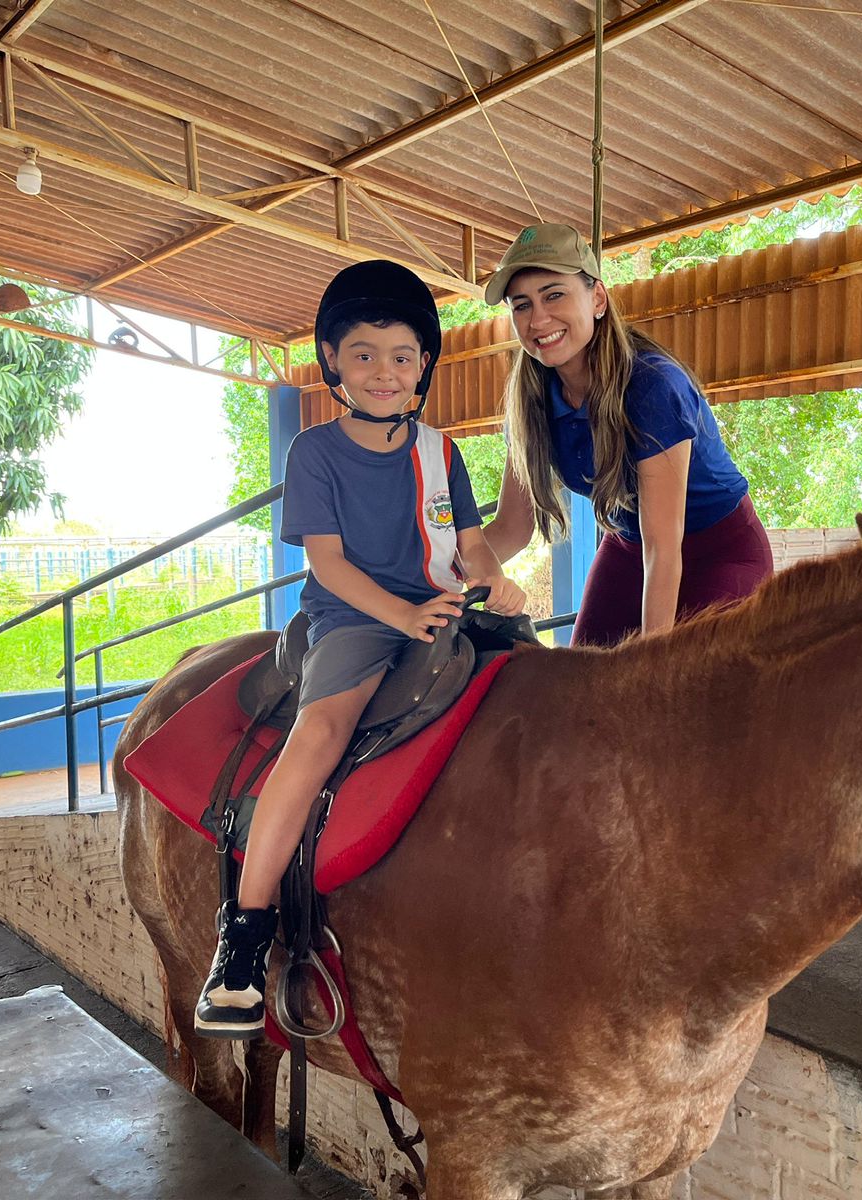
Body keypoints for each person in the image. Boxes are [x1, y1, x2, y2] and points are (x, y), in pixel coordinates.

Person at [196, 260, 526, 1038]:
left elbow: (471, 545)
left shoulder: (440, 451)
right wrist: (402, 617)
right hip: (356, 617)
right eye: (366, 354)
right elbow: (328, 563)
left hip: (446, 608)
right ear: (334, 363)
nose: (385, 371)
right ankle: (242, 935)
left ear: (423, 371)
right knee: (317, 737)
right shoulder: (314, 452)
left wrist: (496, 580)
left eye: (403, 356)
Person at [481, 224, 773, 646]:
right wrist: (421, 579)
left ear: (597, 298)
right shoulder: (529, 403)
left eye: (554, 295)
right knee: (583, 681)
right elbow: (510, 529)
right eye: (521, 305)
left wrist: (649, 666)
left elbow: (663, 546)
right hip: (629, 548)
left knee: (681, 686)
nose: (538, 319)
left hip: (717, 548)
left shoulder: (653, 386)